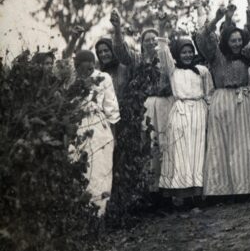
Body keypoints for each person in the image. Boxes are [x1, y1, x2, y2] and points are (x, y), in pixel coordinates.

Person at [195, 2, 250, 196]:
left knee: (245, 144)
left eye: (239, 40)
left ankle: (247, 187)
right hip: (221, 100)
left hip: (242, 101)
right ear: (226, 41)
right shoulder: (216, 56)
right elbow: (202, 38)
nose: (236, 43)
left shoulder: (246, 55)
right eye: (232, 40)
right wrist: (218, 18)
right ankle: (222, 190)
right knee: (220, 145)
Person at [111, 11, 173, 192]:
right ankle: (150, 190)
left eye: (155, 39)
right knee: (147, 144)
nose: (152, 42)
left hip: (165, 104)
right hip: (146, 106)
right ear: (142, 44)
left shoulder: (165, 58)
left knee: (166, 144)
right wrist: (117, 29)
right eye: (148, 40)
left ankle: (168, 189)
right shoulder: (138, 59)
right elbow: (121, 52)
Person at [155, 33, 214, 201]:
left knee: (199, 151)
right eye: (183, 52)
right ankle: (184, 195)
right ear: (177, 54)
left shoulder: (202, 71)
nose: (187, 55)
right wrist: (161, 30)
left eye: (190, 52)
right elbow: (164, 53)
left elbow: (209, 93)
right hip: (180, 112)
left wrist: (209, 111)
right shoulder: (173, 70)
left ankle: (199, 194)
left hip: (199, 112)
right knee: (181, 151)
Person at [69, 50, 120, 216]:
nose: (88, 70)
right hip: (78, 128)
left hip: (99, 129)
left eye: (91, 65)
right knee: (81, 167)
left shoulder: (104, 78)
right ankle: (81, 213)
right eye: (83, 67)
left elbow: (111, 108)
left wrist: (113, 136)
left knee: (101, 168)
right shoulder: (72, 80)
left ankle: (99, 213)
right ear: (77, 67)